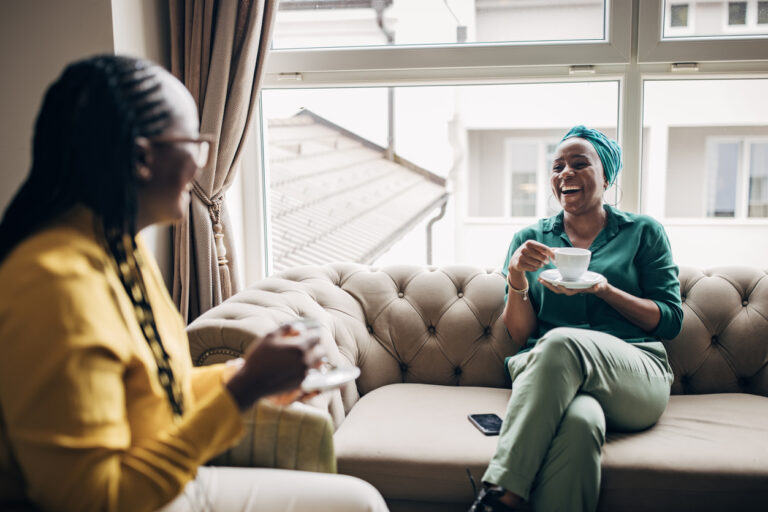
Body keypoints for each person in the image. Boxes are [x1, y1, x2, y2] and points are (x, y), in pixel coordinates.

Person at [0, 55, 388, 512]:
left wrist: (252, 377)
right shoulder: (54, 288)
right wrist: (242, 392)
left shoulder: (121, 246)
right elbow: (98, 500)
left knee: (360, 502)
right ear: (144, 157)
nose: (205, 164)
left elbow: (161, 389)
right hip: (135, 496)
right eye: (196, 144)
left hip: (168, 483)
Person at [469, 126, 683, 512]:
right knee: (580, 425)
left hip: (634, 376)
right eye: (557, 166)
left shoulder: (643, 233)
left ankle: (500, 494)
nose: (564, 173)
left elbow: (669, 321)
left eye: (579, 164)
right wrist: (516, 275)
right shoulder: (530, 239)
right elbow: (521, 334)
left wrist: (604, 290)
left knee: (563, 341)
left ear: (606, 177)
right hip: (552, 379)